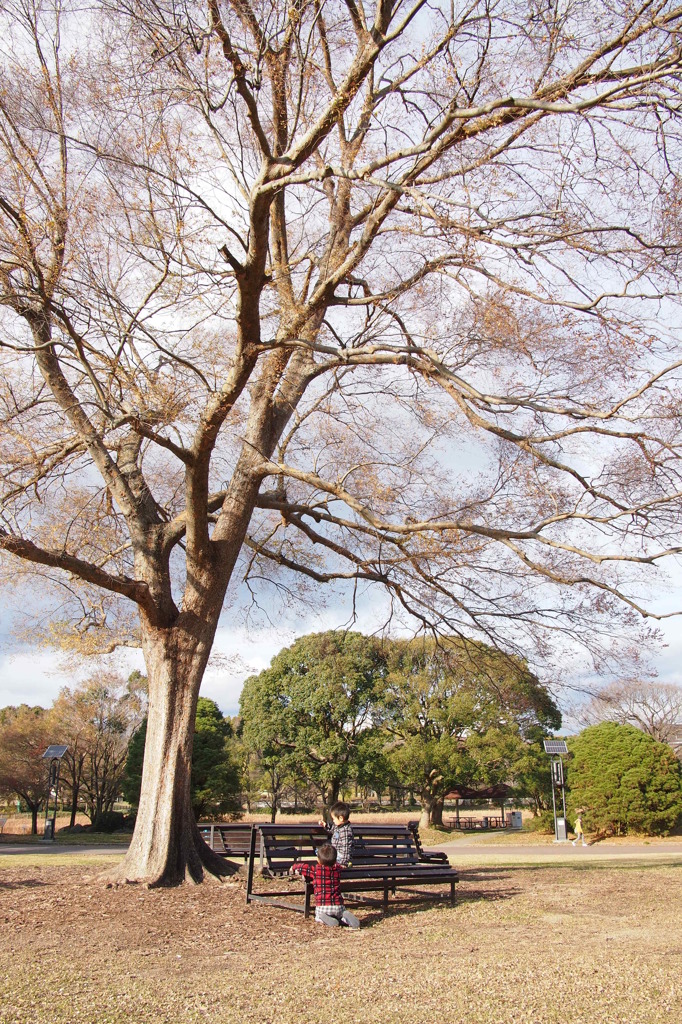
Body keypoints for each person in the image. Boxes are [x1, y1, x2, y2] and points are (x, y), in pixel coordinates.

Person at [290, 843, 360, 928]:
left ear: (318, 860)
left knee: (318, 916)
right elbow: (339, 866)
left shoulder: (316, 870)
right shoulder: (337, 870)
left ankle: (324, 918)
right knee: (340, 914)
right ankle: (344, 916)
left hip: (323, 906)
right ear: (335, 860)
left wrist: (294, 867)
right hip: (338, 906)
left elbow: (302, 867)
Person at [319, 801, 354, 867]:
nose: (333, 821)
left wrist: (343, 863)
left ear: (341, 818)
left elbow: (346, 848)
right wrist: (325, 825)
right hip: (336, 855)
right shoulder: (339, 827)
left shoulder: (345, 831)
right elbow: (332, 829)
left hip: (341, 857)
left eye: (334, 819)